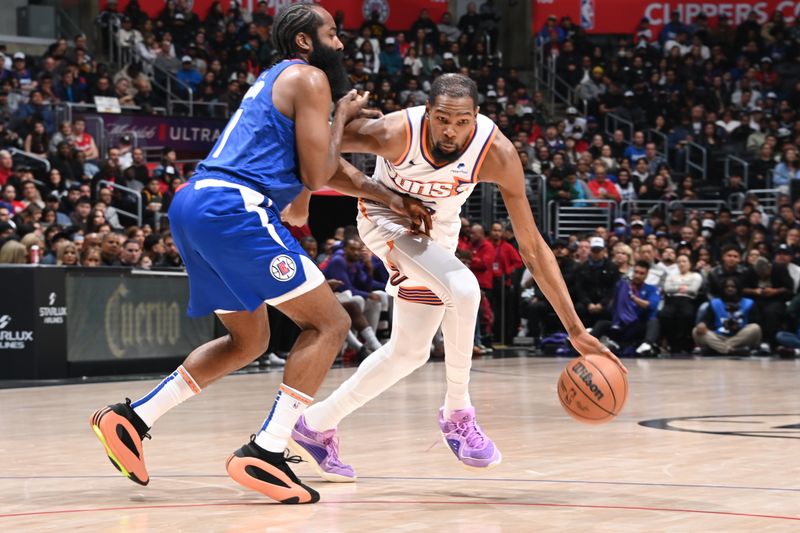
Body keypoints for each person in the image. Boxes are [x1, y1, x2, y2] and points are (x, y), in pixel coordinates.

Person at [88, 4, 430, 506]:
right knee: (330, 325)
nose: (341, 43)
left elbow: (314, 182)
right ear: (305, 42)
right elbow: (316, 176)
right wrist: (342, 119)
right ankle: (267, 451)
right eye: (331, 33)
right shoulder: (309, 78)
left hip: (194, 205)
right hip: (233, 208)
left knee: (247, 341)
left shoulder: (279, 80)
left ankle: (132, 419)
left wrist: (392, 199)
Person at [286, 74, 626, 483]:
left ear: (476, 117)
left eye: (462, 121)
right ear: (428, 113)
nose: (451, 130)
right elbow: (313, 145)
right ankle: (458, 414)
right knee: (464, 288)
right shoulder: (395, 132)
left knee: (410, 353)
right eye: (442, 119)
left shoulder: (496, 152)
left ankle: (315, 427)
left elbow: (533, 248)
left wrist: (575, 329)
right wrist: (305, 195)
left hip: (437, 234)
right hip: (384, 221)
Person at [592, 260, 661, 356]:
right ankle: (585, 344)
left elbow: (651, 305)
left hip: (638, 325)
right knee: (602, 324)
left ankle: (647, 345)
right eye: (636, 272)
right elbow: (610, 307)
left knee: (654, 321)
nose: (638, 275)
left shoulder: (652, 289)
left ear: (646, 275)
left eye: (642, 273)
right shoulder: (623, 286)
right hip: (621, 325)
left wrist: (633, 298)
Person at [693, 278, 762, 355]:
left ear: (738, 288)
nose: (730, 289)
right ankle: (732, 351)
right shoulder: (715, 303)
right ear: (722, 289)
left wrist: (738, 327)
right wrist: (702, 324)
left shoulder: (749, 303)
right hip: (718, 337)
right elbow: (707, 321)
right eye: (727, 287)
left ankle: (716, 350)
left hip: (740, 338)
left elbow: (755, 323)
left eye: (733, 287)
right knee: (696, 331)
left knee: (755, 328)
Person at [659, 254, 703, 353]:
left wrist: (676, 287)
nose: (681, 264)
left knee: (686, 315)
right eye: (679, 262)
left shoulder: (695, 276)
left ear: (690, 264)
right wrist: (682, 288)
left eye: (684, 261)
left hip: (688, 300)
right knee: (664, 315)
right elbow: (667, 289)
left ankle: (683, 343)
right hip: (672, 300)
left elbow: (693, 290)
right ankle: (672, 342)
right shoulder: (671, 276)